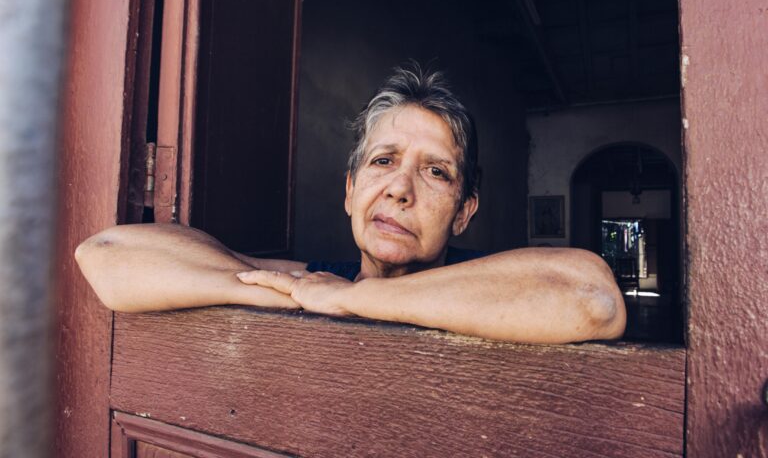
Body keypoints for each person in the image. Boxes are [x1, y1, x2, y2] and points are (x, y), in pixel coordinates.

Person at [76, 67, 626, 343]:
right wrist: (287, 292)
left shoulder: (484, 281)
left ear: (463, 210)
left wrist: (358, 301)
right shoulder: (315, 282)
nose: (400, 188)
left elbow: (594, 297)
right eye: (383, 161)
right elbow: (105, 252)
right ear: (349, 191)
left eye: (435, 172)